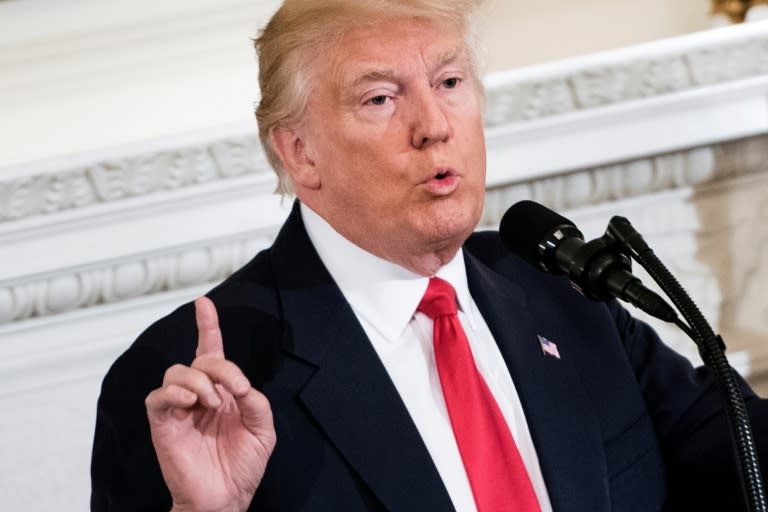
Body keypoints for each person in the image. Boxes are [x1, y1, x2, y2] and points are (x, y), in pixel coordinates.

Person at [90, 1, 768, 511]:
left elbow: (745, 464)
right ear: (299, 152)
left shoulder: (556, 286)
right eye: (381, 98)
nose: (434, 126)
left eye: (449, 82)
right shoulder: (190, 378)